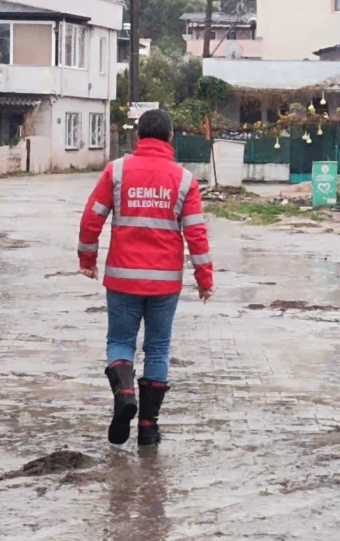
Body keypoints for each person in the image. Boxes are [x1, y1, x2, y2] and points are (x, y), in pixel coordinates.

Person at [77, 109, 214, 446]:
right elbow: (196, 233)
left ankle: (125, 393)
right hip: (165, 282)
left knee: (120, 342)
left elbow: (92, 217)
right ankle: (149, 428)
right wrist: (204, 278)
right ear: (170, 138)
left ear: (138, 137)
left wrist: (87, 257)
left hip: (122, 278)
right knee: (157, 349)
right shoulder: (184, 180)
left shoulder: (117, 171)